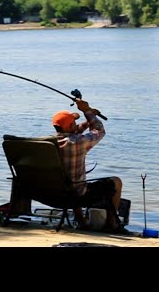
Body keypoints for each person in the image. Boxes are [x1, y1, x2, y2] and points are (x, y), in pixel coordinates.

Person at [52, 99, 125, 233]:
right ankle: (112, 224)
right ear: (69, 127)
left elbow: (73, 132)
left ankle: (82, 222)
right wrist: (87, 111)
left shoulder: (50, 143)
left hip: (53, 193)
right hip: (76, 195)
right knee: (116, 182)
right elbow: (99, 131)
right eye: (74, 122)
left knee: (71, 179)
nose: (76, 124)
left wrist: (90, 117)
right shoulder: (77, 143)